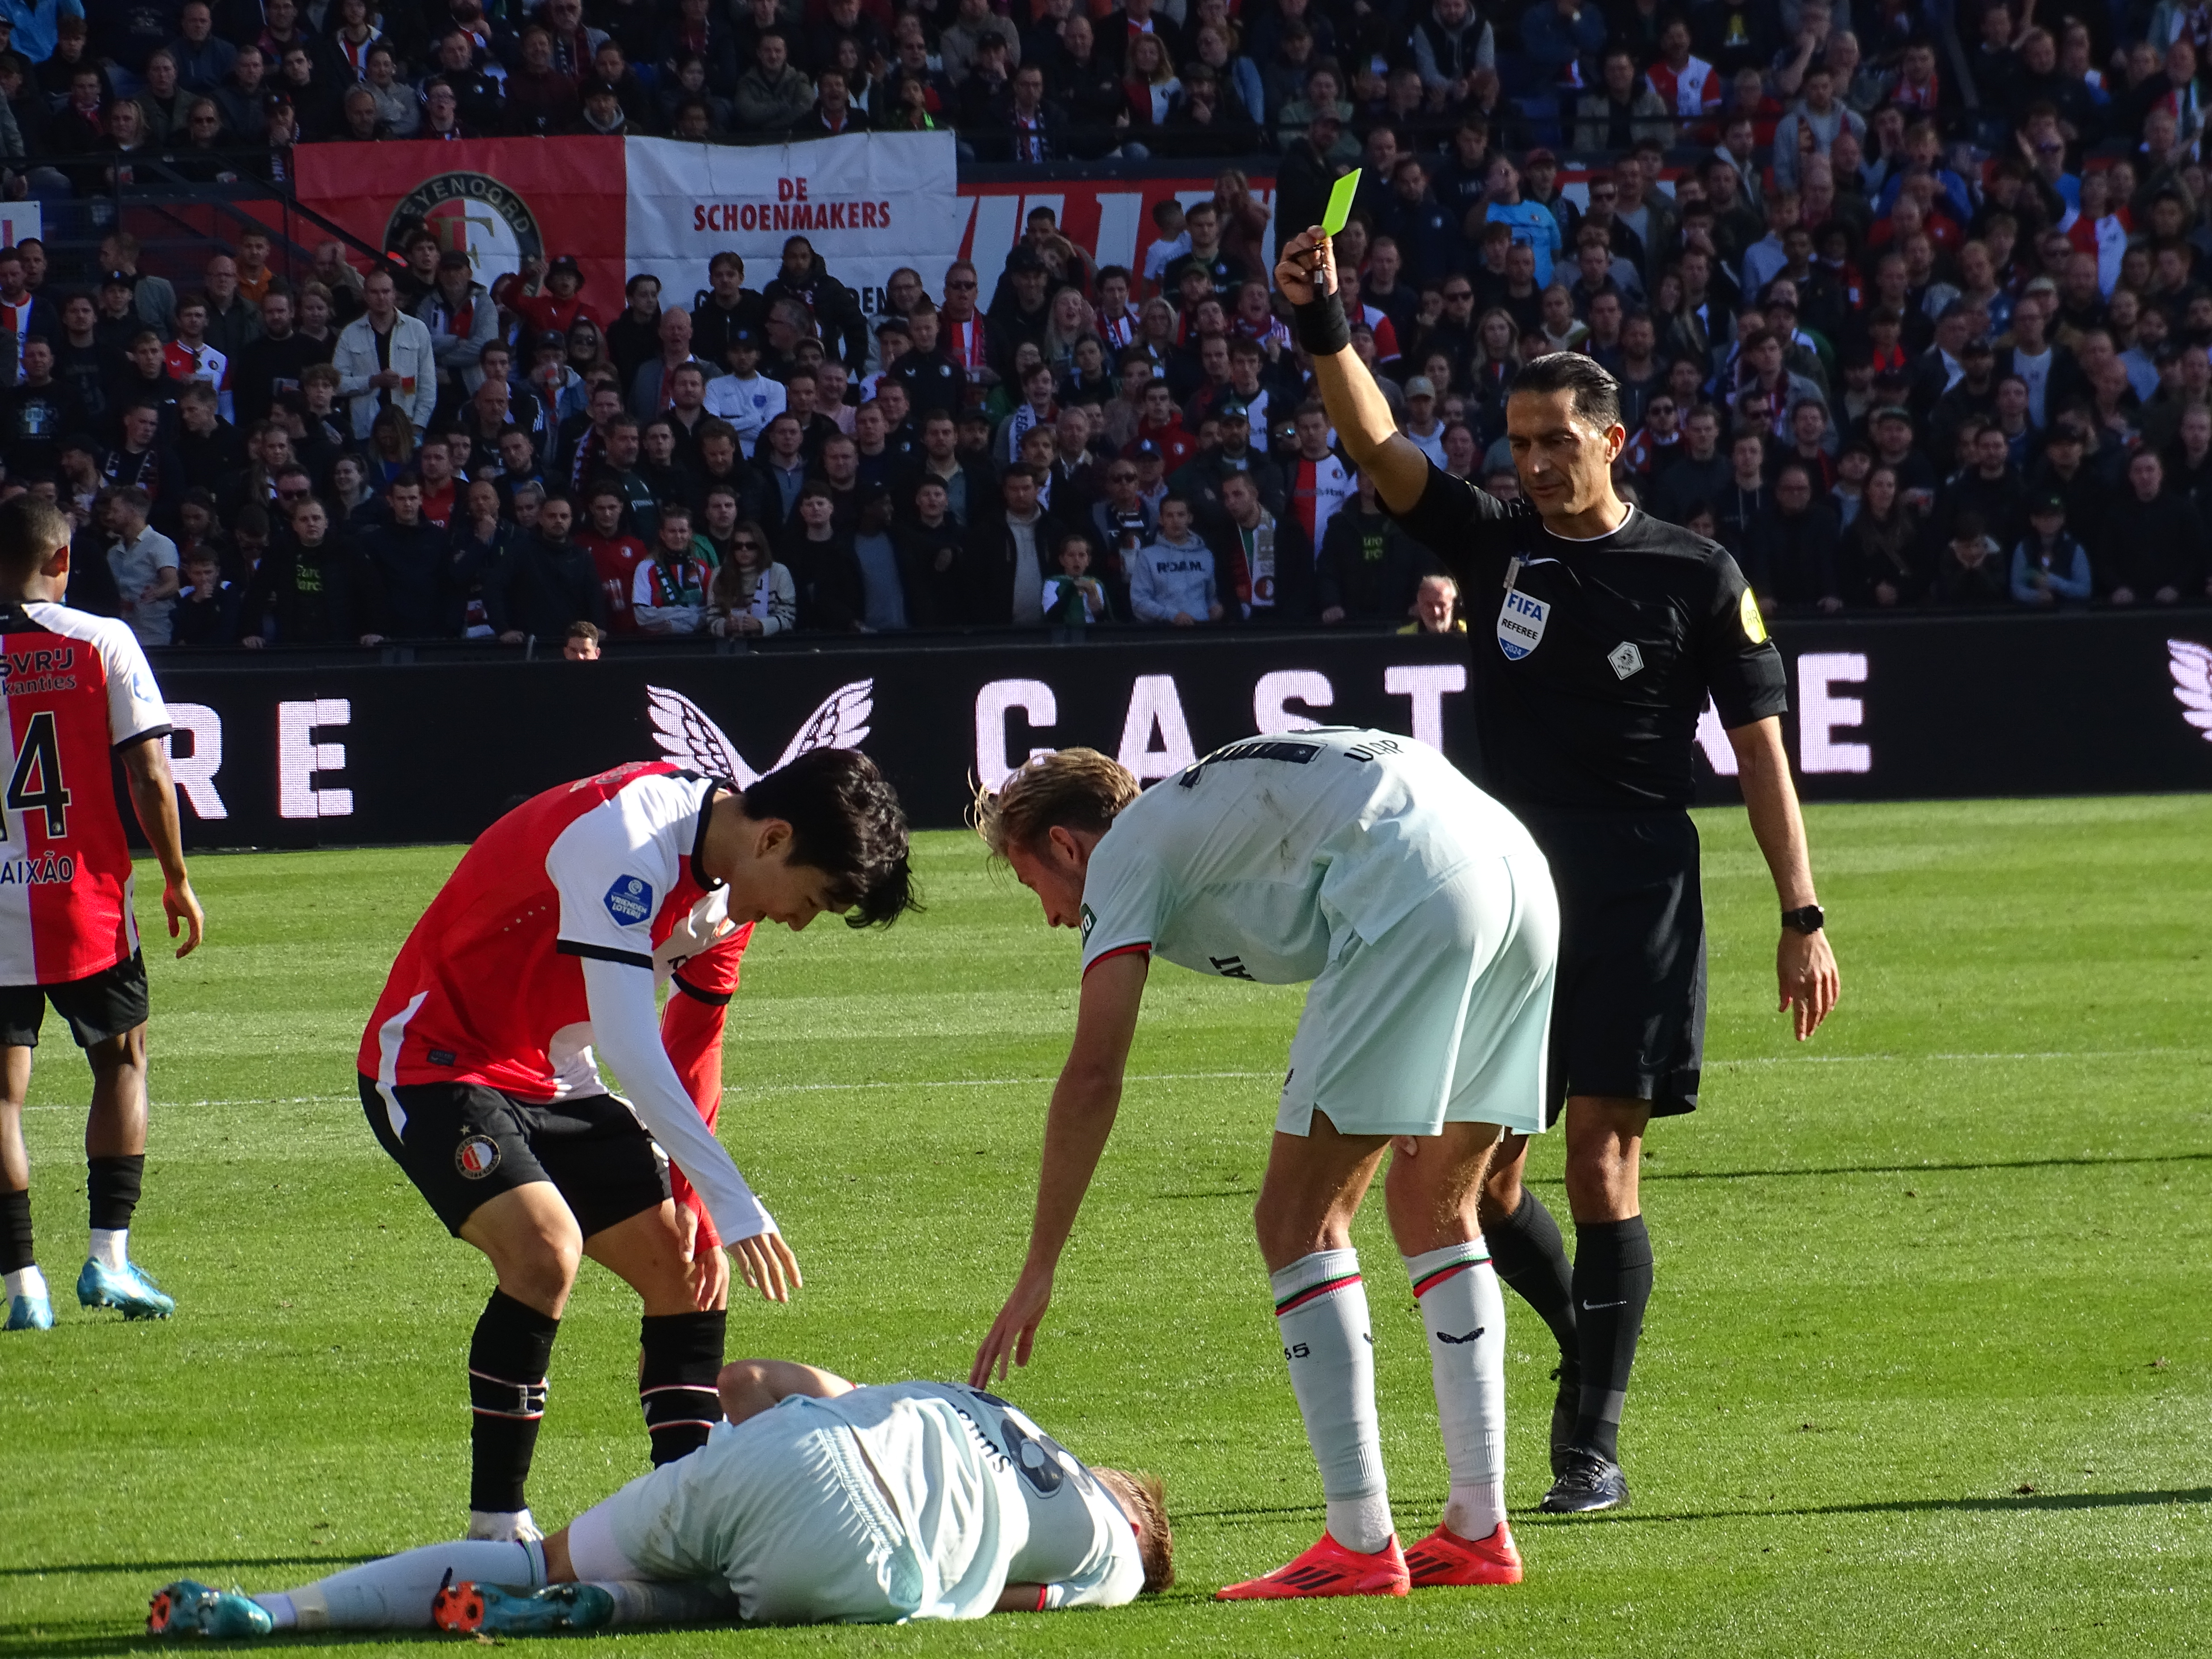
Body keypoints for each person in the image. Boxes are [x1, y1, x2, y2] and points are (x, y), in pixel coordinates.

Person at [1276, 223, 1840, 1515]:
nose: (1531, 464)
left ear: (1612, 441)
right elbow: (1374, 446)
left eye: (1555, 442)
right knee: (1484, 1178)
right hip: (1507, 889)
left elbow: (1761, 754)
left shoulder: (1695, 575)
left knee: (1599, 1160)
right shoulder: (1495, 545)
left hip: (1639, 883)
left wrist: (1802, 912)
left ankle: (1588, 1444)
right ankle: (1595, 1346)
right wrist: (1322, 322)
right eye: (1518, 444)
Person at [970, 734, 1556, 1598]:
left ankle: (1360, 1542)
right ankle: (1479, 1528)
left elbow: (1095, 1074)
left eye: (1038, 889)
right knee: (1437, 1206)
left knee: (1297, 1222)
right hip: (1520, 875)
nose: (1057, 917)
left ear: (1066, 845)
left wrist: (1039, 1266)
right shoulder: (1196, 816)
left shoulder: (1126, 849)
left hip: (1413, 892)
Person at [358, 748, 916, 1540]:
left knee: (691, 1271)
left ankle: (695, 1516)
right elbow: (629, 1042)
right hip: (434, 1059)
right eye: (815, 899)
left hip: (554, 1075)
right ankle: (496, 1524)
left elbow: (693, 1046)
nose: (800, 921)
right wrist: (735, 1199)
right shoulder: (624, 840)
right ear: (774, 839)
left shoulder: (729, 894)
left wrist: (698, 1206)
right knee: (546, 1250)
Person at [149, 1354, 1169, 1638]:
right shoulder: (1111, 1556)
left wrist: (723, 1464)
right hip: (860, 1558)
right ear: (1136, 1525)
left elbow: (755, 1384)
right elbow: (1004, 1600)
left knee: (534, 1553)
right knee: (744, 1593)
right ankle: (599, 1611)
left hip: (788, 1452)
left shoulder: (977, 1404)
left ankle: (272, 1612)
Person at [0, 497, 204, 1333]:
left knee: (4, 1098)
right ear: (64, 559)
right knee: (123, 1062)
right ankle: (109, 1260)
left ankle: (23, 1286)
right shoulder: (102, 639)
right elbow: (151, 774)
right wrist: (177, 879)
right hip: (81, 900)